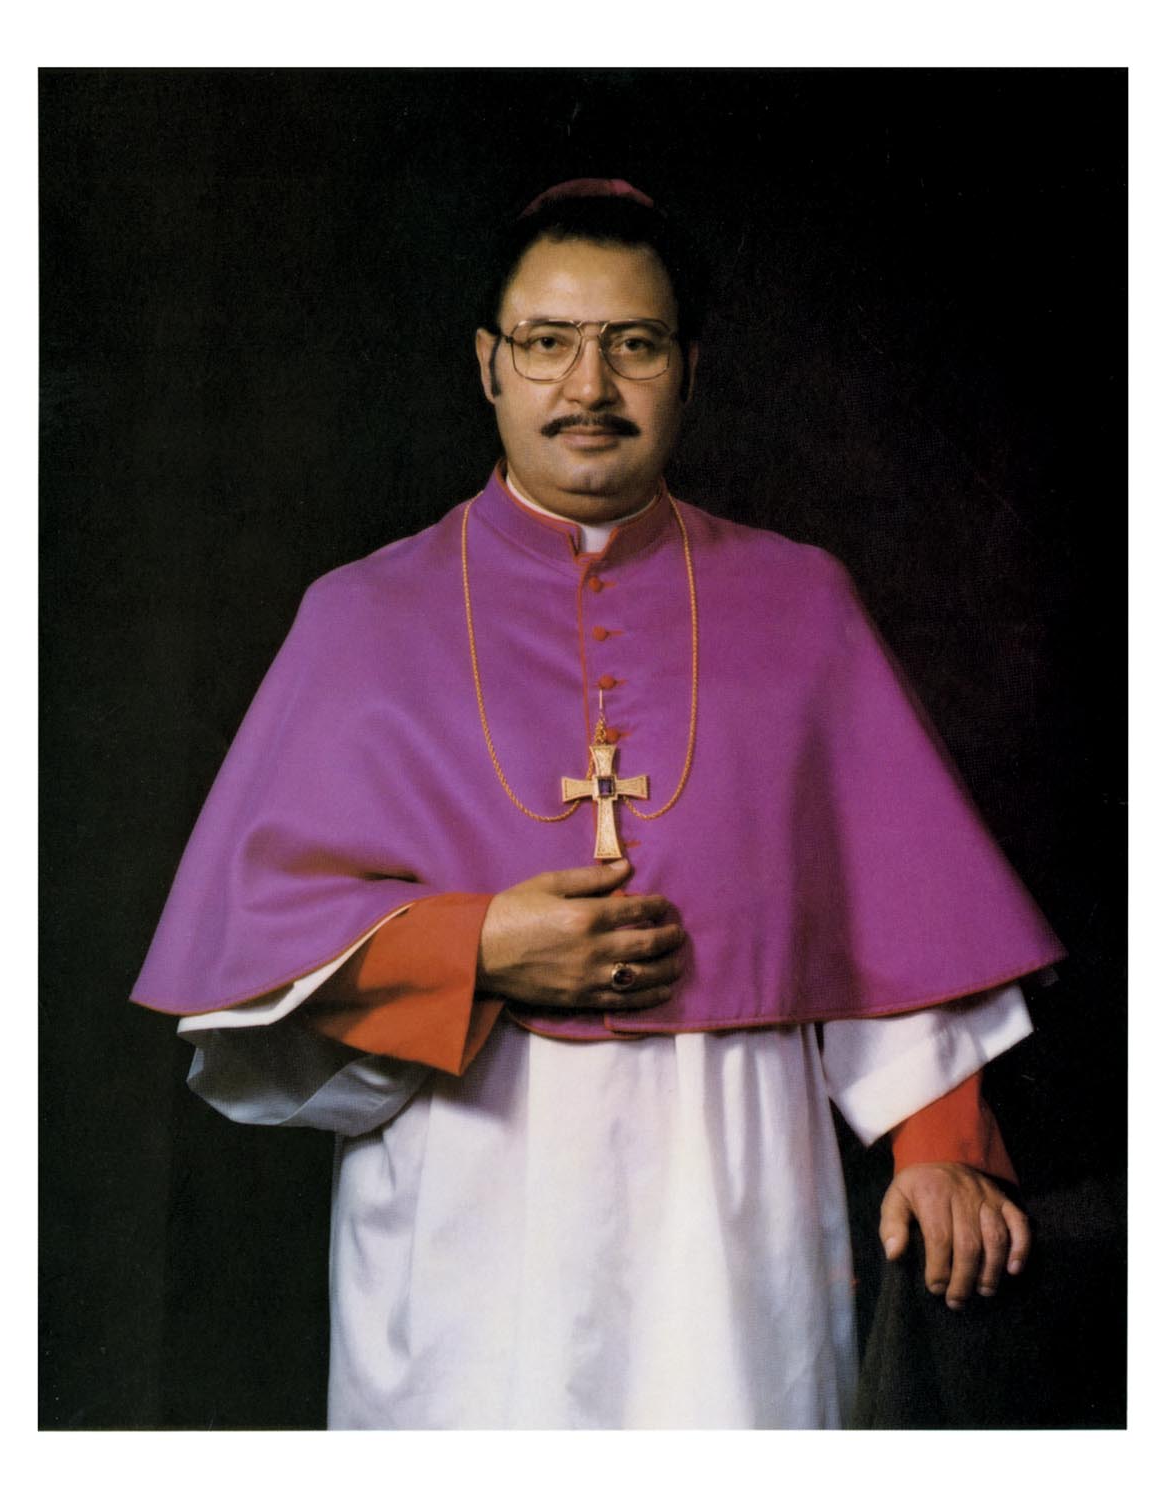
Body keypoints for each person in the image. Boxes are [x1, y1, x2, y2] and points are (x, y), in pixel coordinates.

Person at [131, 179, 1064, 1429]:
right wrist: (475, 947)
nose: (589, 387)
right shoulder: (361, 617)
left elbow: (899, 913)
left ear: (688, 368)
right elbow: (258, 957)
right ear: (488, 364)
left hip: (730, 1197)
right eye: (548, 343)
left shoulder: (800, 603)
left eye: (633, 344)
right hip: (463, 1201)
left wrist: (939, 1144)